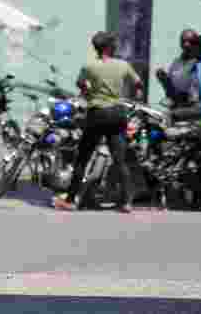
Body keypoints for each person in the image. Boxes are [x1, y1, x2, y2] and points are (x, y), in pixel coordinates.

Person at [54, 31, 142, 213]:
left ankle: (70, 200)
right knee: (120, 160)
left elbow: (81, 84)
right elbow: (138, 85)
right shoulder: (123, 65)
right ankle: (127, 202)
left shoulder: (89, 66)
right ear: (110, 47)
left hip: (97, 114)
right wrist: (133, 97)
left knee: (82, 159)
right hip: (118, 113)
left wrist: (88, 91)